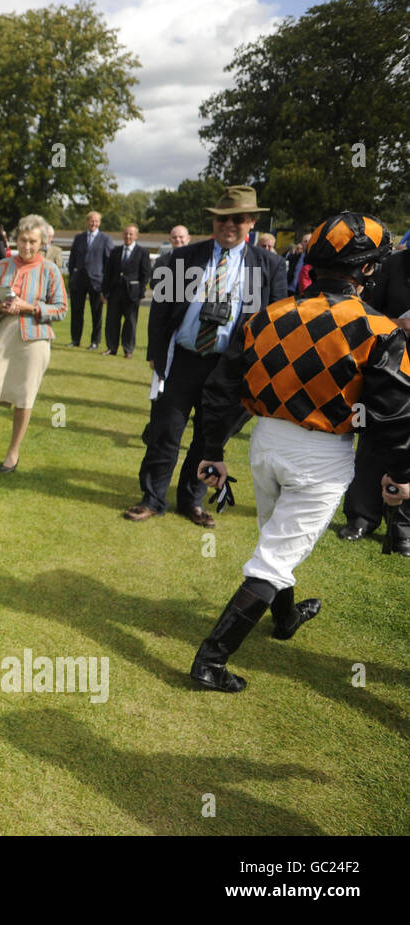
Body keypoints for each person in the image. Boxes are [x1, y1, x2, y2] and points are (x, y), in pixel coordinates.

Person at [191, 212, 410, 692]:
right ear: (368, 271)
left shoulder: (266, 315)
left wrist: (212, 449)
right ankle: (210, 660)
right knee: (274, 557)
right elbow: (393, 417)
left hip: (265, 443)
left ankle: (285, 619)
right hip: (321, 455)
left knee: (276, 539)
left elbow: (220, 389)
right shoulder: (380, 330)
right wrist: (400, 475)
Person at [123, 185, 287, 526]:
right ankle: (152, 498)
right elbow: (160, 309)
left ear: (252, 222)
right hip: (182, 359)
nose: (228, 226)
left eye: (237, 219)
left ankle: (192, 500)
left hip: (229, 368)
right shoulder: (182, 258)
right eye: (221, 219)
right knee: (165, 431)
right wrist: (155, 354)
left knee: (209, 438)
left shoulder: (269, 266)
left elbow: (273, 325)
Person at [0, 215, 66, 472]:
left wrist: (30, 307)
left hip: (35, 340)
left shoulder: (50, 270)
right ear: (15, 240)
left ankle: (13, 452)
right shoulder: (2, 267)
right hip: (3, 335)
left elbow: (61, 309)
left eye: (32, 242)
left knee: (24, 395)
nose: (27, 246)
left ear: (42, 243)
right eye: (22, 240)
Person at [336, 241, 410, 552]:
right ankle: (362, 516)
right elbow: (366, 315)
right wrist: (397, 325)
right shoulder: (394, 264)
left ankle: (404, 526)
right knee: (373, 439)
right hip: (388, 367)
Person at [102, 224, 152, 358]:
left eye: (131, 234)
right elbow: (108, 273)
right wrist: (104, 291)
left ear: (136, 236)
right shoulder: (115, 251)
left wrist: (140, 292)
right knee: (112, 321)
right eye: (126, 234)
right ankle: (111, 347)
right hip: (115, 292)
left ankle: (128, 349)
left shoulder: (142, 252)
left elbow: (146, 274)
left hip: (132, 294)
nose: (128, 236)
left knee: (130, 322)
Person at [66, 211, 113, 348]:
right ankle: (75, 340)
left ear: (99, 222)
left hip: (97, 282)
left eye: (96, 221)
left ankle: (95, 342)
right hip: (79, 280)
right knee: (76, 312)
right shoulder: (79, 238)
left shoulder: (105, 239)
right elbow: (72, 259)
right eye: (91, 221)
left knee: (96, 314)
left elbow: (108, 262)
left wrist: (105, 281)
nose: (94, 223)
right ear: (87, 221)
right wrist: (73, 275)